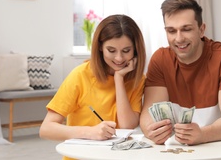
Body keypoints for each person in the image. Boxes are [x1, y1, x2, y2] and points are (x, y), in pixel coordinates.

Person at [140, 0, 221, 146]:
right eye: (171, 31)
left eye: (186, 29)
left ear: (201, 29)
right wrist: (150, 130)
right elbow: (148, 112)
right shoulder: (160, 59)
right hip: (180, 147)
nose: (178, 39)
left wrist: (202, 134)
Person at [40, 14, 146, 158]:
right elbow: (46, 129)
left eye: (126, 51)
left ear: (136, 49)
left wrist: (119, 78)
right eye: (111, 50)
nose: (119, 58)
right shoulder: (80, 75)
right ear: (100, 47)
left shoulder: (137, 79)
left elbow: (127, 125)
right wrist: (89, 132)